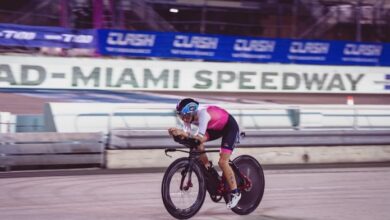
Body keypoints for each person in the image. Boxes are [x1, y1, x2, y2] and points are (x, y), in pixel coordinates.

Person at [168, 98, 241, 209]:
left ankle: (236, 192)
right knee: (197, 145)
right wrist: (177, 134)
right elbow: (188, 136)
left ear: (192, 112)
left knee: (223, 162)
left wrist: (183, 133)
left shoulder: (203, 114)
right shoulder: (188, 118)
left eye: (185, 115)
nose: (184, 119)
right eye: (181, 116)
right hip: (214, 127)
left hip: (229, 127)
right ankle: (208, 167)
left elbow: (199, 138)